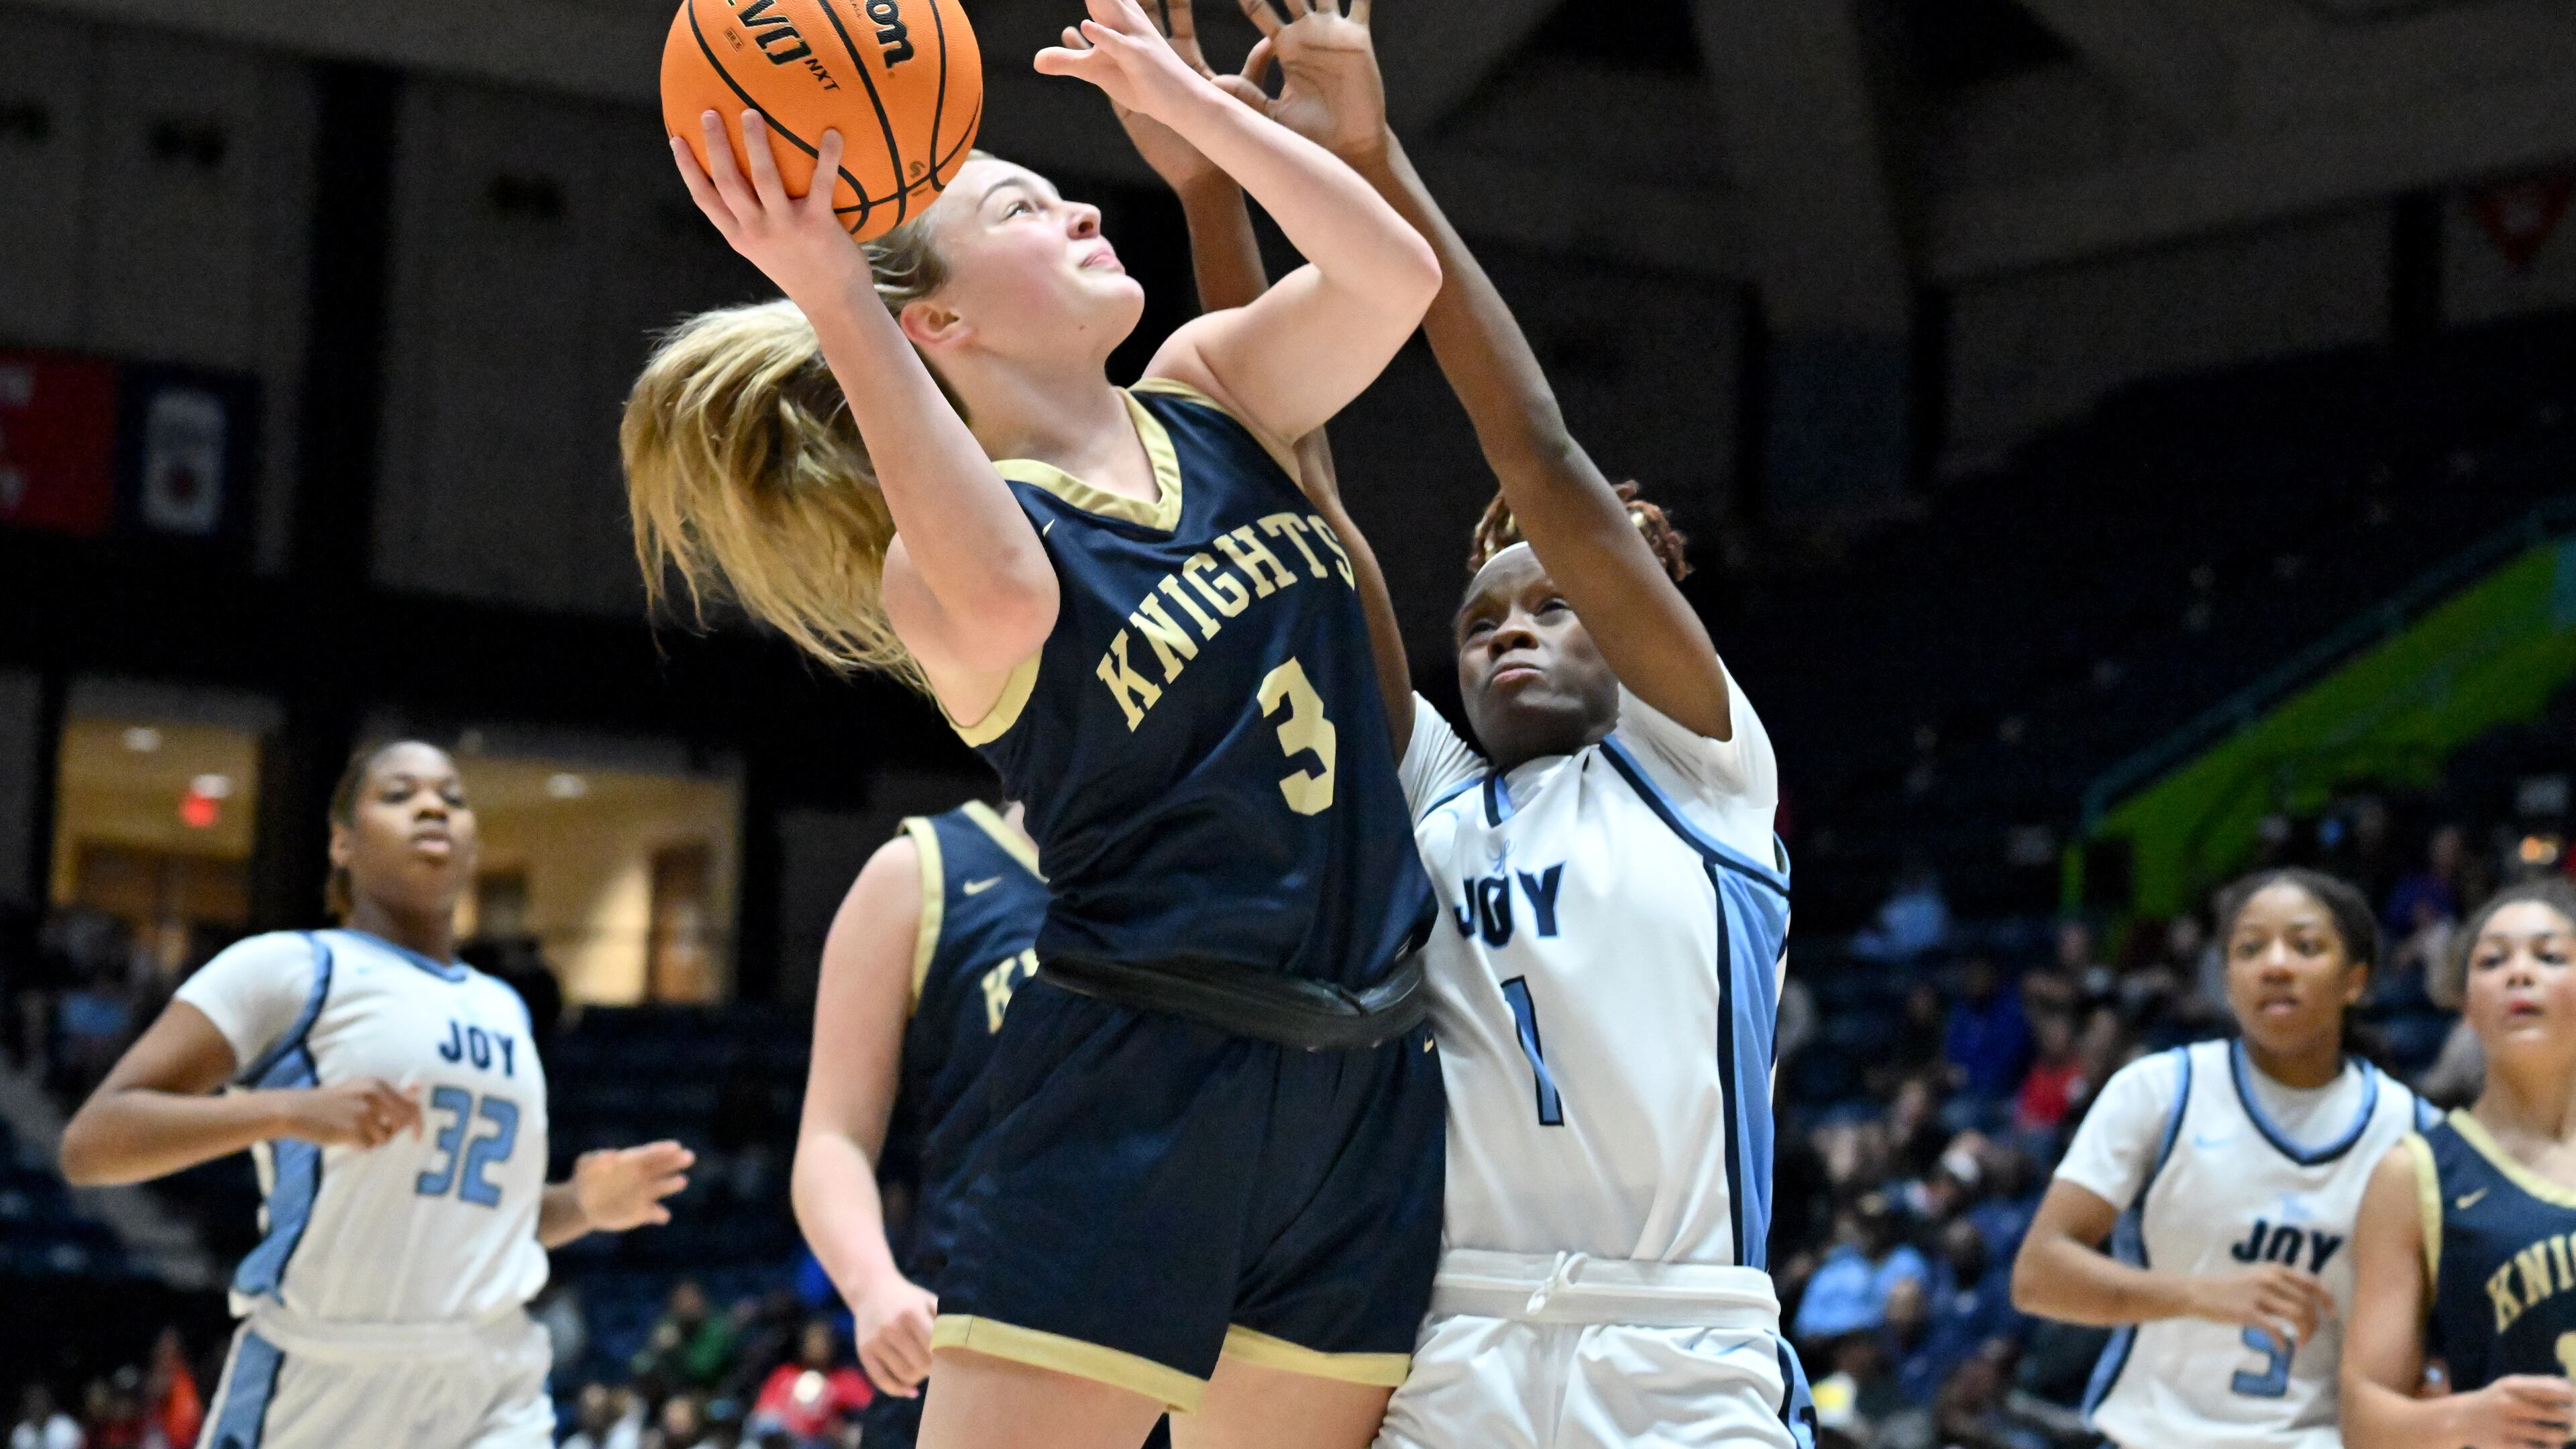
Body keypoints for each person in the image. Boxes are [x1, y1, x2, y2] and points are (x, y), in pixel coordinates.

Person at [629, 0, 1446, 1439]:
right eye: (1022, 203)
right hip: (1139, 1077)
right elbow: (1011, 591)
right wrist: (835, 294)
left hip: (1363, 1080)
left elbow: (1394, 274)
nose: (1078, 202)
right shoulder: (951, 557)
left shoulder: (1214, 393)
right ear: (935, 321)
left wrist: (1197, 115)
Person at [1198, 5, 1810, 1443]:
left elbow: (1531, 446)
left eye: (1553, 602)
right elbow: (1291, 485)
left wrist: (1372, 155)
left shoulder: (1701, 764)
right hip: (1454, 1334)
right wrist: (1209, 189)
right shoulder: (1430, 789)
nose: (1513, 630)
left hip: (1678, 1351)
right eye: (1481, 622)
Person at [56, 741, 692, 1449]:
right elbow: (92, 1144)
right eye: (399, 794)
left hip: (490, 1379)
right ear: (343, 842)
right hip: (328, 1379)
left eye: (452, 797)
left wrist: (581, 1206)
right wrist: (285, 1111)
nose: (432, 807)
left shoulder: (505, 1008)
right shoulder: (292, 969)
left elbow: (473, 1227)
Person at [2009, 867, 2430, 1449]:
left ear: (2355, 980)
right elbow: (2039, 1276)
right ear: (2227, 981)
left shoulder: (2414, 1131)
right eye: (2250, 948)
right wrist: (2201, 1294)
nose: (2275, 965)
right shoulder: (2159, 1092)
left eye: (2305, 947)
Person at [2343, 877, 2576, 1448]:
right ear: (2467, 1006)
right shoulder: (2415, 1174)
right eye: (2492, 961)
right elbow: (2362, 1417)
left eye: (2550, 956)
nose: (2520, 973)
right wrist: (2465, 1420)